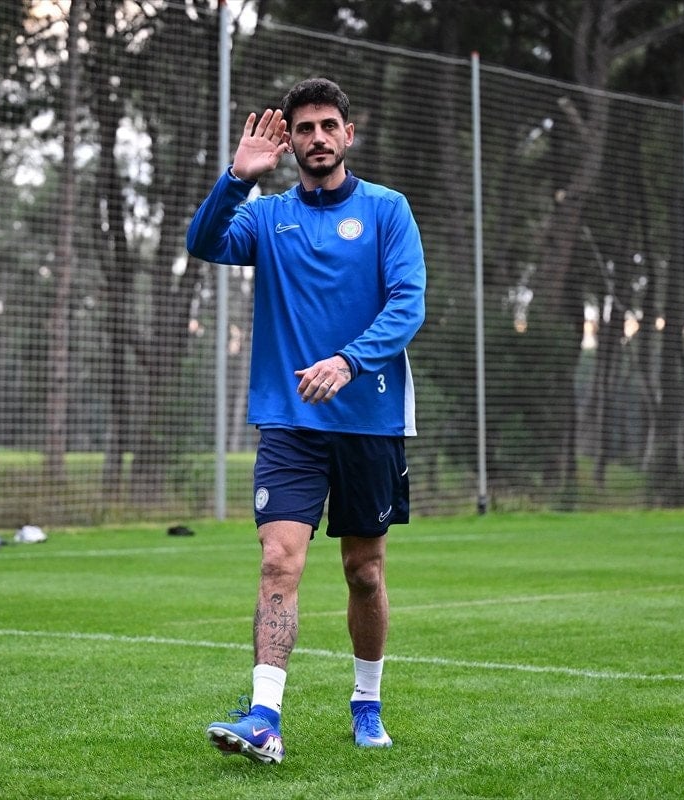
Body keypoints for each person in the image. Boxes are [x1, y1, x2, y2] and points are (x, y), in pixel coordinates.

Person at [186, 77, 426, 765]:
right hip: (290, 421)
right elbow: (204, 242)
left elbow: (408, 303)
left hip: (370, 420)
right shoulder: (267, 218)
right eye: (303, 128)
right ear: (288, 142)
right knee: (277, 559)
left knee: (364, 571)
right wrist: (236, 178)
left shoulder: (387, 210)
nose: (317, 138)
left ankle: (366, 702)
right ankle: (265, 717)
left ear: (348, 134)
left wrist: (348, 362)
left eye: (328, 126)